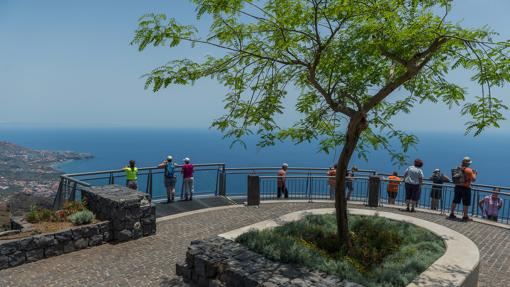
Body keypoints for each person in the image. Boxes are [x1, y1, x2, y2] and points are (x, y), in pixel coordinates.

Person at [449, 156, 477, 221]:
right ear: (468, 163)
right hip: (466, 188)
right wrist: (475, 174)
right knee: (466, 203)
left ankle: (451, 213)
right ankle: (465, 216)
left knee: (455, 200)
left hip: (457, 187)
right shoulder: (469, 170)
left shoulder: (457, 168)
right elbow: (473, 180)